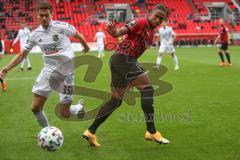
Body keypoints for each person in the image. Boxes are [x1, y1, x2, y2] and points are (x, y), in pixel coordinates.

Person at [83, 4, 170, 147]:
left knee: (116, 101)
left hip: (122, 61)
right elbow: (124, 30)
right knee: (148, 89)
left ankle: (90, 132)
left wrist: (130, 79)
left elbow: (135, 53)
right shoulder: (142, 22)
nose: (157, 20)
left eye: (161, 19)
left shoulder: (151, 33)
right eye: (156, 16)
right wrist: (116, 32)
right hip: (124, 59)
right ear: (151, 14)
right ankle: (151, 131)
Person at [0, 0, 90, 128]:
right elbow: (22, 55)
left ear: (51, 14)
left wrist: (85, 46)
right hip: (48, 71)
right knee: (35, 107)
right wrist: (6, 68)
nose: (44, 18)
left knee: (64, 113)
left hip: (66, 74)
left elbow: (78, 35)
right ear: (37, 15)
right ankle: (47, 131)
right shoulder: (35, 34)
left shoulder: (62, 26)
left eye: (46, 15)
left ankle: (78, 107)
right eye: (41, 15)